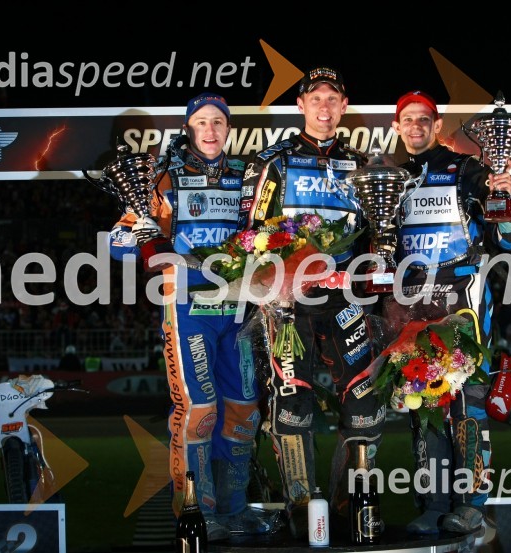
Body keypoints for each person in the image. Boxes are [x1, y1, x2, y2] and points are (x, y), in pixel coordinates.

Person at [108, 93, 270, 541]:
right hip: (188, 309)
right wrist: (141, 234)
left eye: (219, 122)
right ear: (189, 128)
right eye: (202, 122)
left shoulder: (247, 176)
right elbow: (115, 244)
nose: (212, 130)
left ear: (229, 128)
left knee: (243, 413)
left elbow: (270, 234)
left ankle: (235, 510)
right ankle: (198, 511)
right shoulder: (164, 179)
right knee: (200, 410)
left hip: (239, 308)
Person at [238, 67, 384, 538]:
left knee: (364, 403)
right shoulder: (274, 161)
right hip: (290, 299)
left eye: (332, 98)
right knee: (291, 403)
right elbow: (250, 234)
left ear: (344, 107)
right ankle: (303, 512)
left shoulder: (363, 163)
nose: (324, 106)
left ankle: (353, 509)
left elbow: (378, 237)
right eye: (315, 97)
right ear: (301, 105)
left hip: (347, 300)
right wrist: (285, 258)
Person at [384, 90, 511, 534]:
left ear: (436, 124)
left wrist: (502, 200)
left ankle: (471, 501)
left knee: (468, 400)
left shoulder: (466, 170)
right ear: (396, 126)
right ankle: (432, 503)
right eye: (407, 119)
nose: (415, 127)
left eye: (424, 119)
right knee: (423, 401)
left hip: (462, 297)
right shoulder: (386, 177)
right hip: (411, 304)